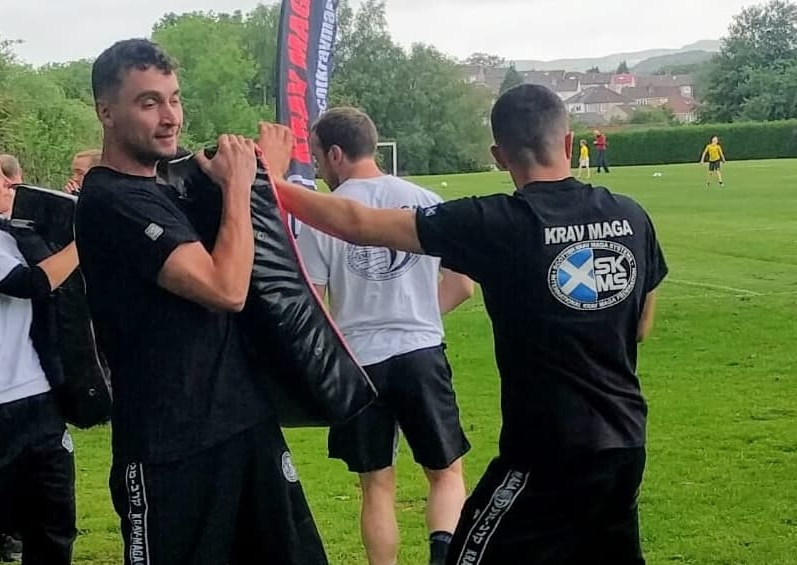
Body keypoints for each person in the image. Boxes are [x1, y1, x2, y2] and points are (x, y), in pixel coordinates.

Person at [262, 83, 667, 564]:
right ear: (567, 141)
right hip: (626, 444)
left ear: (499, 156)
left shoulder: (495, 223)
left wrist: (269, 180)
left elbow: (358, 223)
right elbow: (641, 325)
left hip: (544, 454)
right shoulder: (631, 216)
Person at [74, 39, 327, 565]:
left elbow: (248, 252)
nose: (170, 117)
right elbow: (225, 289)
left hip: (243, 422)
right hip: (170, 446)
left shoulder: (165, 189)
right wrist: (239, 188)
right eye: (149, 102)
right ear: (106, 111)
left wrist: (258, 178)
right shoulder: (112, 199)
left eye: (174, 99)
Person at [289, 109, 474, 565]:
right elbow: (463, 286)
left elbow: (314, 304)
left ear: (336, 154)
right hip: (420, 352)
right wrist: (417, 312)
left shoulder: (323, 217)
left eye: (317, 157)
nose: (318, 167)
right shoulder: (425, 201)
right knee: (446, 474)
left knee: (376, 485)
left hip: (358, 363)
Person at [0, 140, 79, 565]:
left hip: (38, 400)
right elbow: (30, 284)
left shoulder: (9, 237)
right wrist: (85, 240)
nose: (8, 182)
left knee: (54, 527)